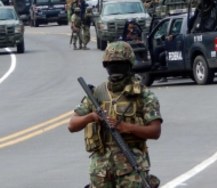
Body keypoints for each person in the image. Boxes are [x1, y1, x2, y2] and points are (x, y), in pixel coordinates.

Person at [68, 41, 163, 188]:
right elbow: (72, 125)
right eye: (111, 64)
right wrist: (92, 117)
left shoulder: (143, 95)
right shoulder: (97, 93)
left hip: (131, 167)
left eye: (120, 63)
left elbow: (155, 131)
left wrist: (127, 127)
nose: (115, 68)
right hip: (101, 170)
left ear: (129, 64)